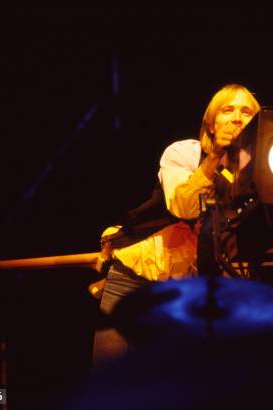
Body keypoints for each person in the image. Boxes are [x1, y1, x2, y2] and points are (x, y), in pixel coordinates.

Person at [93, 84, 261, 366]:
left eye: (246, 112)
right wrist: (214, 159)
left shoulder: (272, 168)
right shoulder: (184, 153)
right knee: (113, 384)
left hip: (203, 293)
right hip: (139, 281)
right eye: (227, 110)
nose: (236, 118)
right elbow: (182, 206)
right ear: (210, 123)